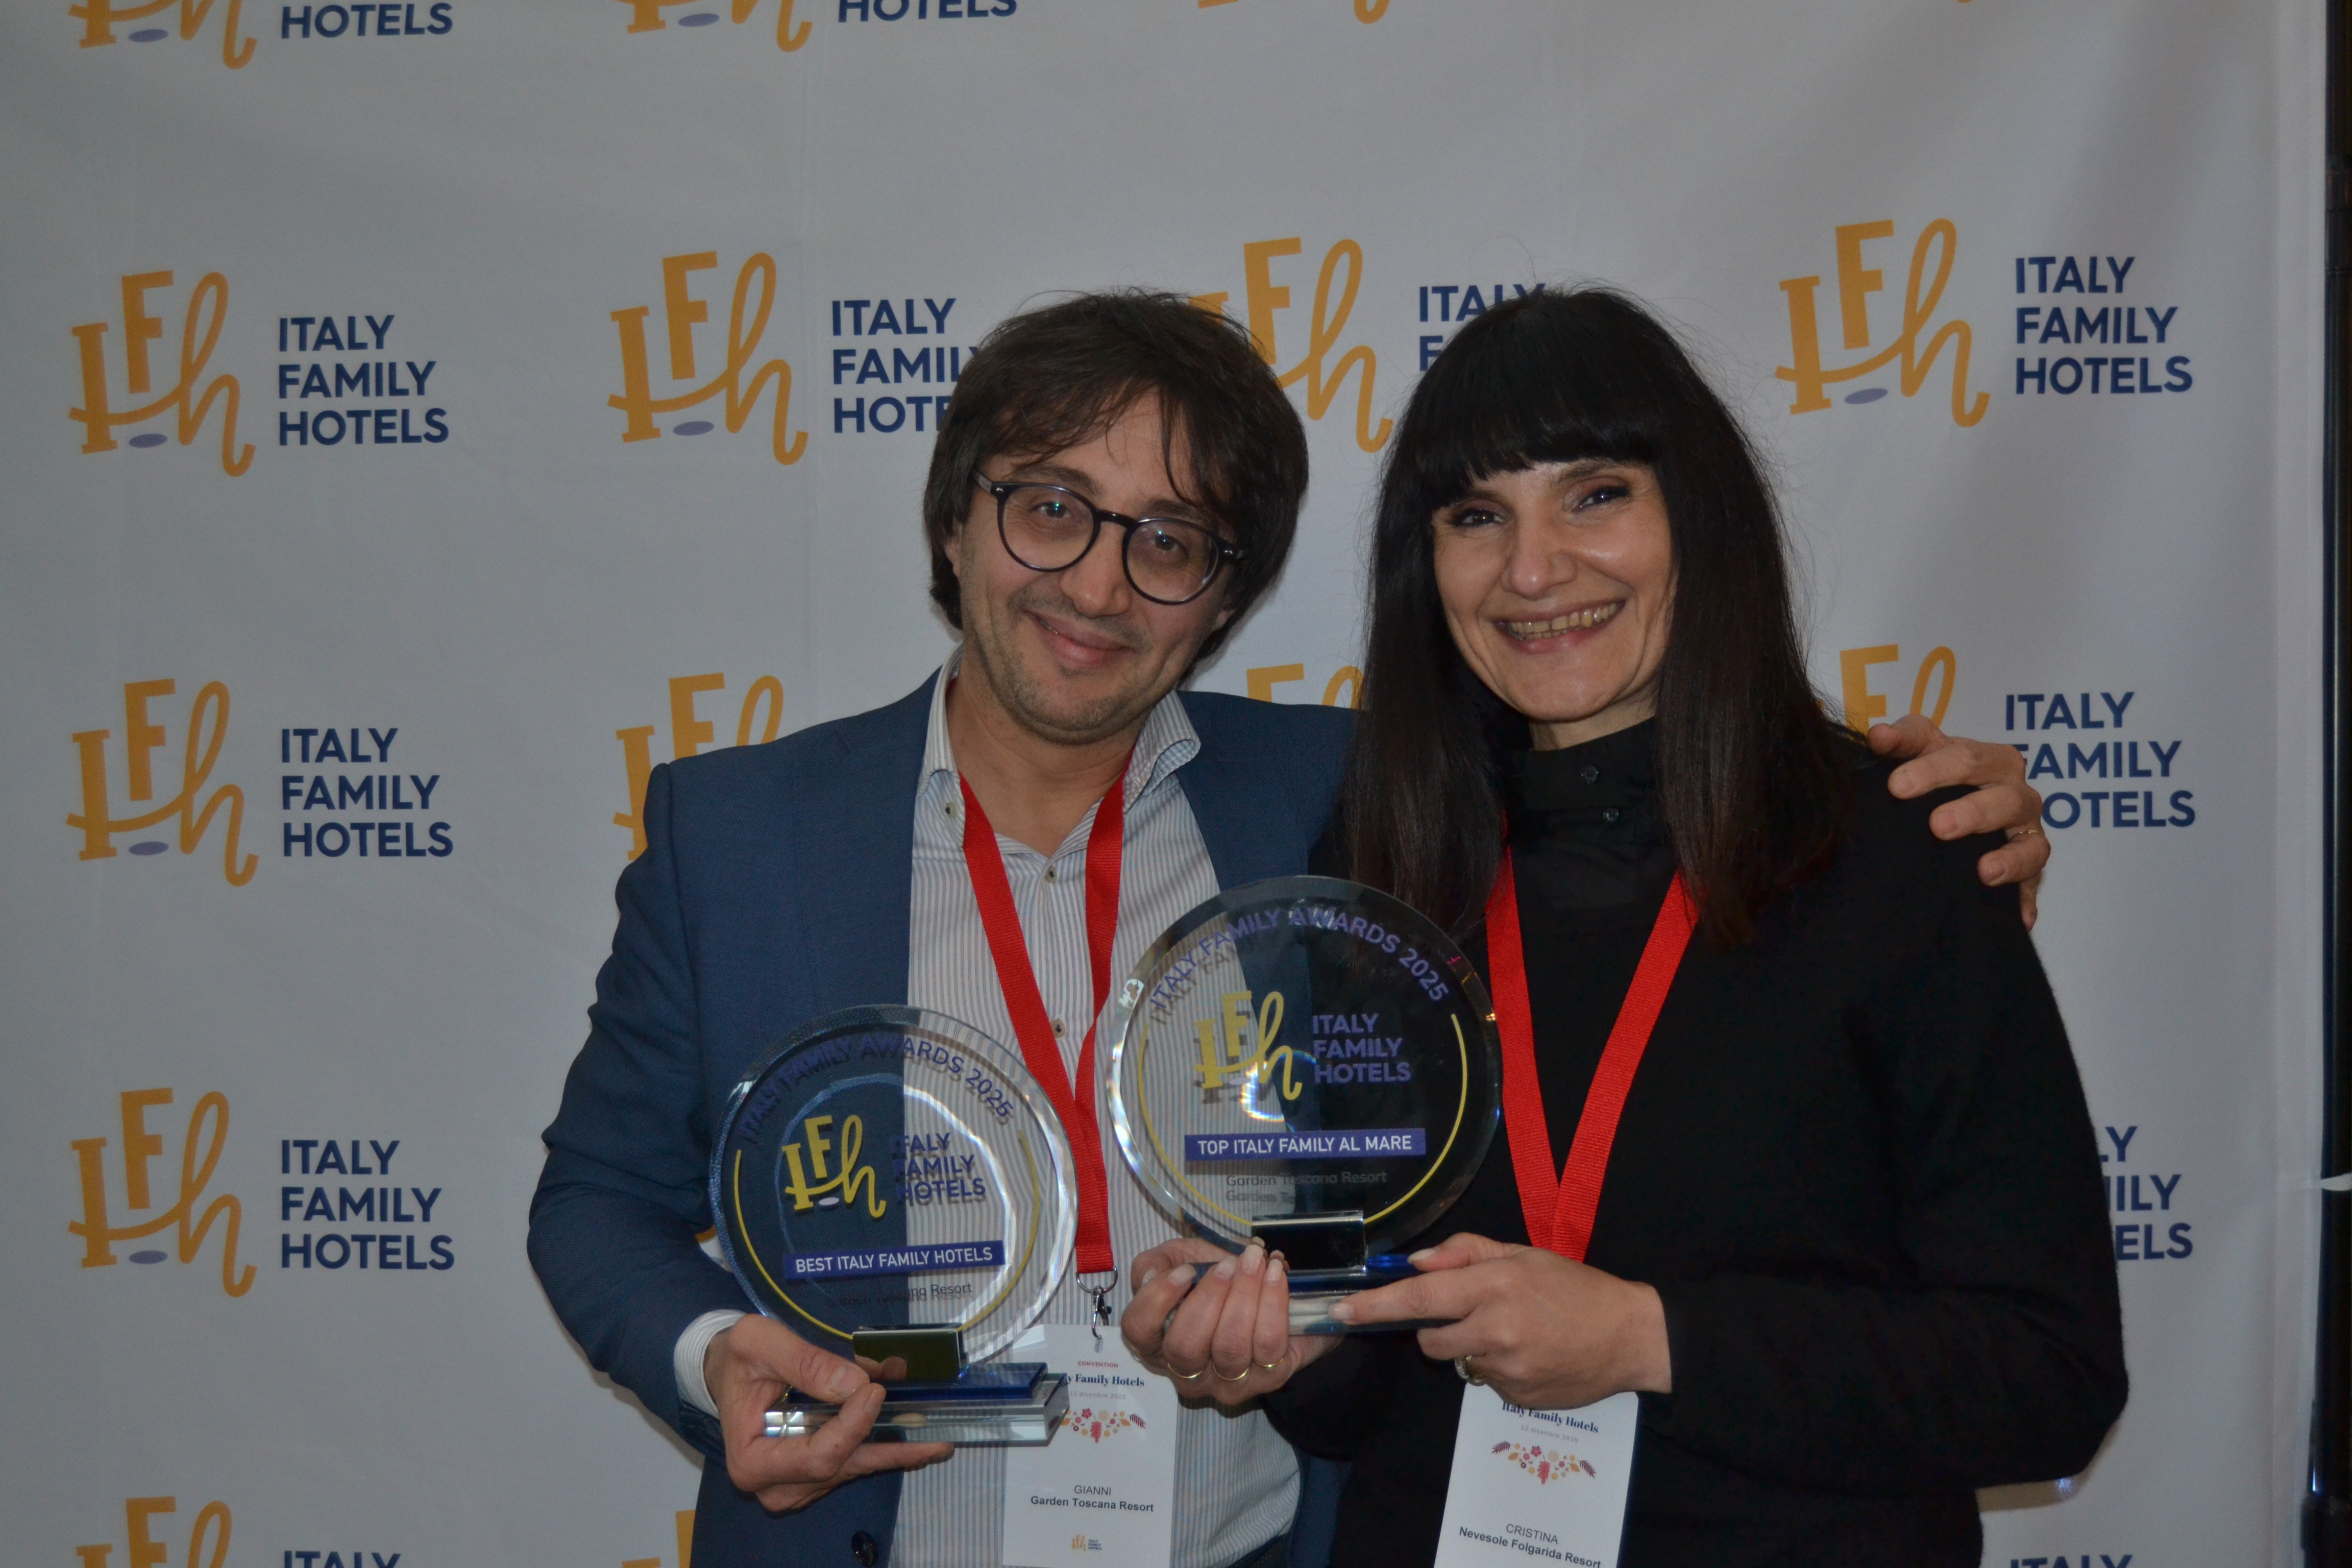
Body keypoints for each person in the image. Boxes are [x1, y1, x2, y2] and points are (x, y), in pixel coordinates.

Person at [528, 289, 2054, 1567]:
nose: (1097, 585)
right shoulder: (738, 837)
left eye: (1170, 540)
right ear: (954, 520)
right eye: (1050, 509)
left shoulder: (1356, 806)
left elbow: (1635, 770)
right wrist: (712, 1357)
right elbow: (597, 1197)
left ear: (1227, 597)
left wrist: (1917, 817)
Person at [1119, 287, 2123, 1568]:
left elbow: (2049, 1374)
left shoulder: (1899, 854)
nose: (1534, 569)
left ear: (1698, 516)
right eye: (1476, 516)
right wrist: (1291, 1350)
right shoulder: (1383, 871)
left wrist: (1651, 1339)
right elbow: (1379, 1386)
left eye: (1595, 495)